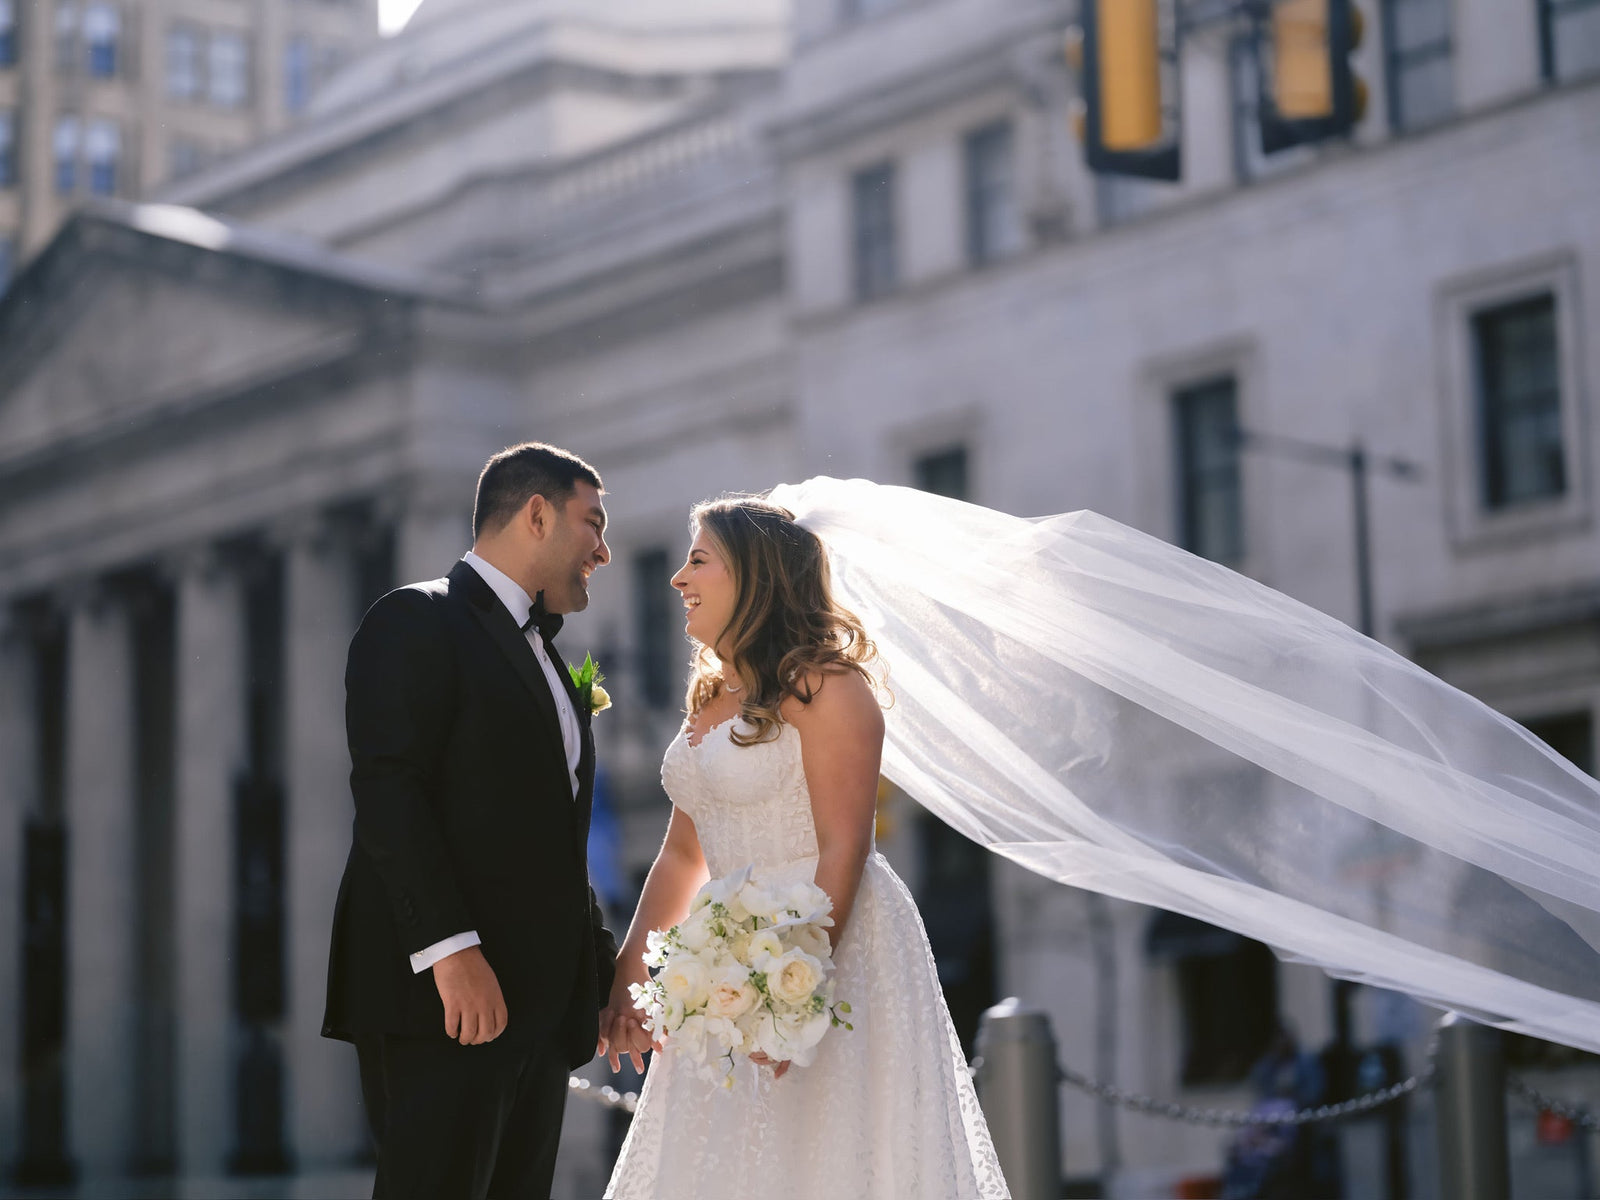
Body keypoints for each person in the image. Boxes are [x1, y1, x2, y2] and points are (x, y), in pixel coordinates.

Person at [601, 496, 1008, 1199]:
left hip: (826, 946)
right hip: (725, 965)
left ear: (753, 577)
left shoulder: (830, 689)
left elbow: (845, 843)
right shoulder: (708, 701)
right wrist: (628, 979)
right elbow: (679, 857)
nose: (677, 578)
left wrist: (798, 993)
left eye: (698, 560)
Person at [322, 442, 619, 1200]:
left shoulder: (554, 665)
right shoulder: (413, 620)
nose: (604, 550)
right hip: (443, 1001)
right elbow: (390, 791)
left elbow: (555, 845)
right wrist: (451, 954)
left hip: (539, 1012)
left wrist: (605, 980)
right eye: (593, 523)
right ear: (537, 514)